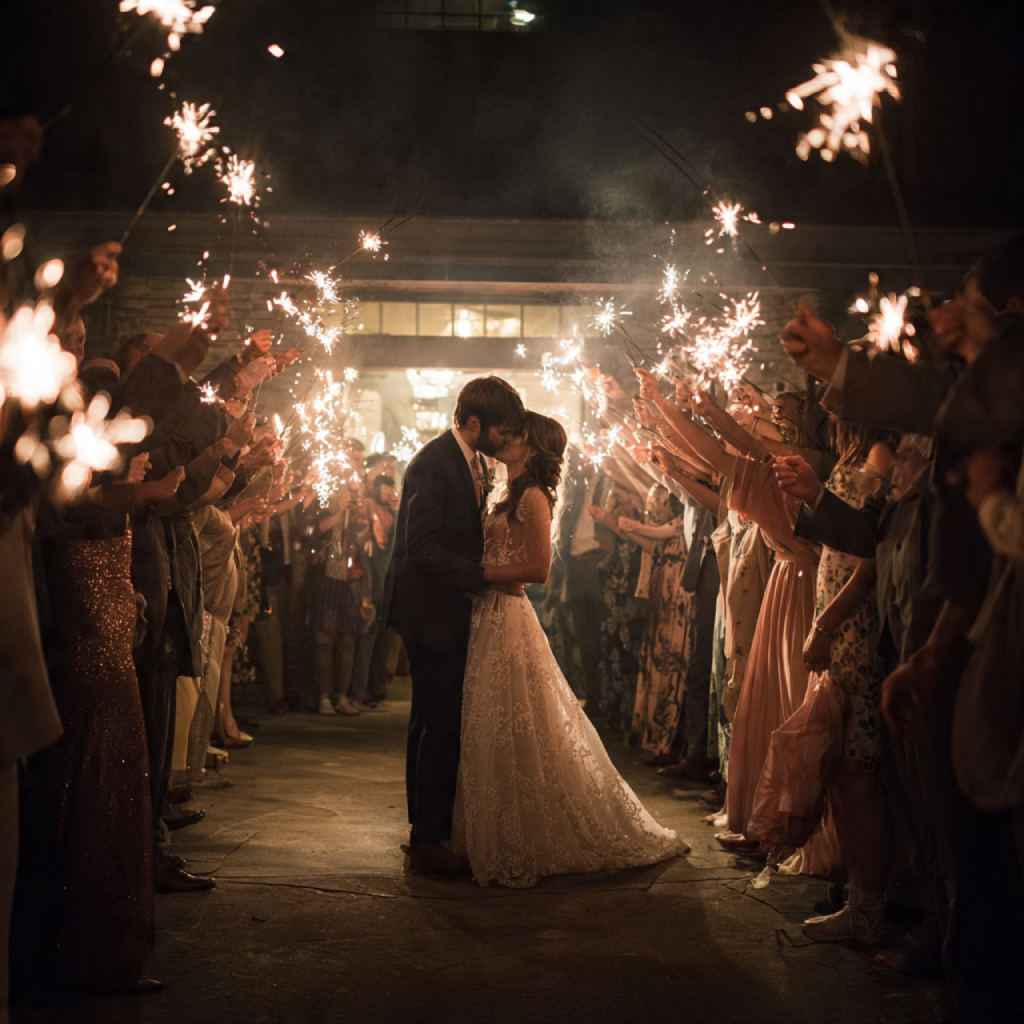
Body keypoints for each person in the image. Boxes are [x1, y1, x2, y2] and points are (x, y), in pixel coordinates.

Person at [452, 411, 689, 888]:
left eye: (516, 435)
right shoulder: (503, 489)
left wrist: (472, 574)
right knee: (493, 720)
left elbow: (537, 568)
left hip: (506, 611)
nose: (506, 438)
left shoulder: (534, 497)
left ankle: (527, 831)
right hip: (486, 614)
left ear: (533, 449)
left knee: (517, 717)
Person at [381, 376, 525, 880]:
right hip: (431, 610)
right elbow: (420, 548)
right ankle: (429, 840)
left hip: (442, 607)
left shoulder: (469, 461)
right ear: (473, 423)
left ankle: (428, 828)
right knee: (438, 723)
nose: (502, 439)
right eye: (498, 429)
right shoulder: (433, 462)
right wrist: (482, 576)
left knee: (432, 720)